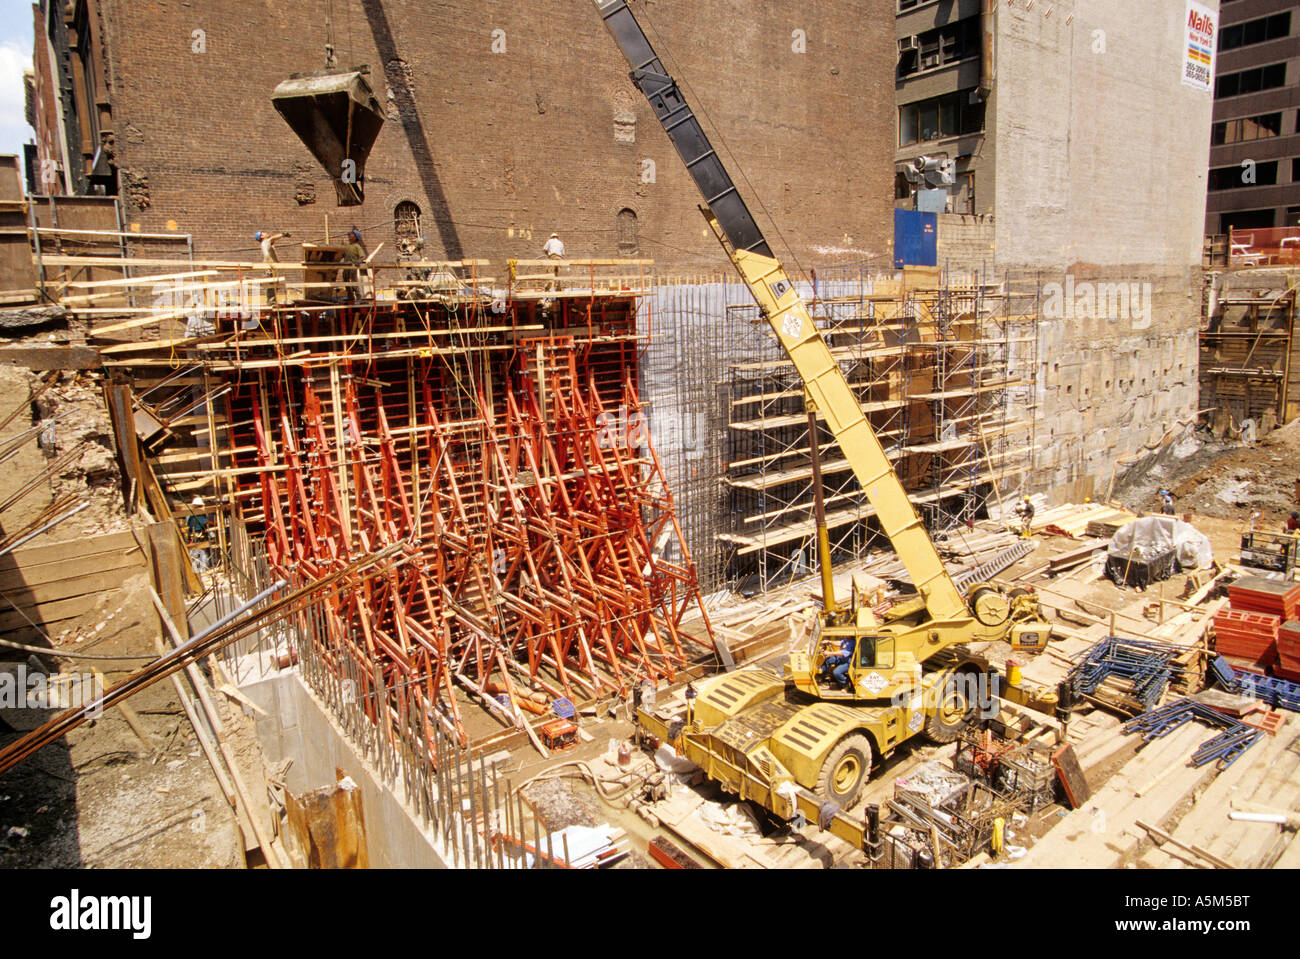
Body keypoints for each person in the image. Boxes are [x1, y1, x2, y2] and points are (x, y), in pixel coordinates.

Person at [343, 228, 369, 303]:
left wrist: (359, 261)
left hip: (353, 266)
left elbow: (363, 256)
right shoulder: (346, 245)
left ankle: (358, 296)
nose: (349, 235)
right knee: (345, 280)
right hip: (345, 266)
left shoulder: (357, 246)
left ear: (355, 237)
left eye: (351, 234)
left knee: (353, 281)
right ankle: (350, 296)